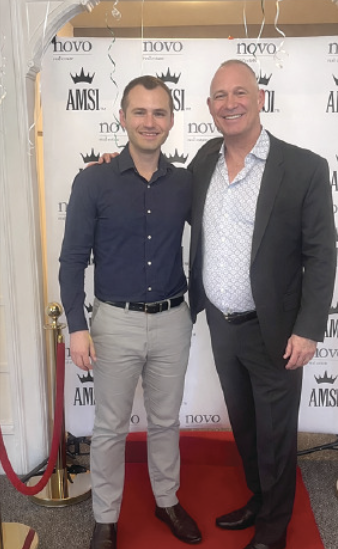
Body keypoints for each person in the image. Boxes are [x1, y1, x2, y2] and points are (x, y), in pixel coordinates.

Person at [188, 60, 336, 549]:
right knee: (247, 426)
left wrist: (309, 328)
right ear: (210, 107)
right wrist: (115, 164)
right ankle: (259, 497)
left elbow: (321, 255)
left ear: (259, 99)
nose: (230, 103)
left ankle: (273, 530)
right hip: (222, 325)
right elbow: (163, 190)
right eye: (220, 96)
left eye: (240, 93)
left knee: (275, 435)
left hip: (275, 331)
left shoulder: (304, 168)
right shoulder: (204, 161)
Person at [59, 76, 201, 549]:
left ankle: (167, 500)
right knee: (109, 428)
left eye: (159, 112)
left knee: (165, 422)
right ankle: (105, 518)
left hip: (172, 320)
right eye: (139, 111)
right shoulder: (93, 180)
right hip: (113, 323)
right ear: (122, 117)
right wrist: (77, 328)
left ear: (171, 121)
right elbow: (72, 260)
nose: (149, 121)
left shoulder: (185, 183)